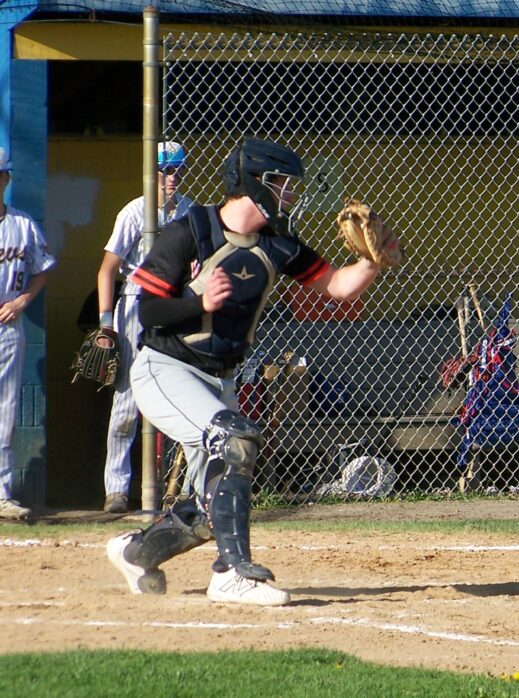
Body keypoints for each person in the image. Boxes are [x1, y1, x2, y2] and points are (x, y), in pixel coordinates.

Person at [106, 137, 386, 605]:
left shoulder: (277, 243)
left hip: (219, 379)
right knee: (236, 439)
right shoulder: (191, 230)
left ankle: (135, 553)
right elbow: (148, 311)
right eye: (282, 184)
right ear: (254, 182)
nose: (291, 194)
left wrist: (372, 262)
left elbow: (337, 286)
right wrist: (198, 302)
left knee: (211, 505)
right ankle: (231, 574)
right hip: (166, 368)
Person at [97, 141, 195, 514]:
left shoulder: (189, 210)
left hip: (176, 302)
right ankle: (117, 490)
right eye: (166, 170)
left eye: (178, 169)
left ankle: (178, 489)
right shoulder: (135, 211)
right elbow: (107, 270)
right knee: (127, 401)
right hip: (136, 301)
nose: (173, 177)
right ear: (152, 172)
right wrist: (106, 324)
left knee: (180, 394)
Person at [0, 148, 56, 520]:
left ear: (6, 179)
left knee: (5, 413)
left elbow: (43, 268)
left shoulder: (22, 223)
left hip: (7, 325)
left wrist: (22, 301)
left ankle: (1, 494)